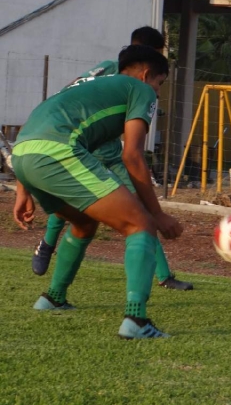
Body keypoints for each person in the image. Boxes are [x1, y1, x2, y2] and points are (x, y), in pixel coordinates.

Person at [13, 45, 183, 339]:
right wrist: (157, 213)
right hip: (56, 151)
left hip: (23, 153)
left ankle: (53, 297)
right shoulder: (139, 90)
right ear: (146, 75)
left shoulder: (89, 85)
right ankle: (136, 321)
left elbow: (40, 121)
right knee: (140, 223)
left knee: (83, 223)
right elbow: (132, 155)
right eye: (160, 83)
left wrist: (22, 189)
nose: (157, 92)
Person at [31, 26, 193, 291]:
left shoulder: (134, 81)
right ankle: (48, 245)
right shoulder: (112, 71)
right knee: (74, 207)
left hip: (112, 156)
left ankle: (164, 275)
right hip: (83, 150)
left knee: (141, 208)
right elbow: (70, 91)